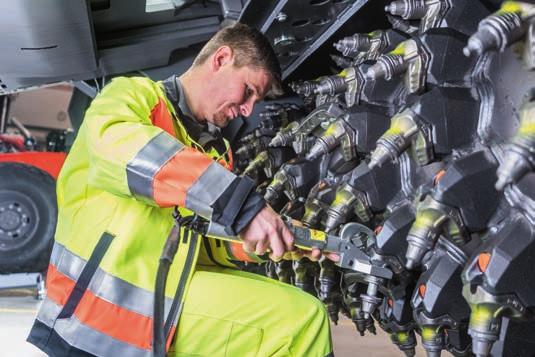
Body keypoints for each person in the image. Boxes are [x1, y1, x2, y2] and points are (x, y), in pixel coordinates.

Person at [27, 23, 334, 356]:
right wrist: (243, 206)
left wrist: (279, 240)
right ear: (221, 59)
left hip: (156, 301)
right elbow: (120, 148)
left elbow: (205, 245)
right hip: (102, 311)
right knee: (302, 322)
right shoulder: (133, 95)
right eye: (248, 91)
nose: (247, 109)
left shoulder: (212, 152)